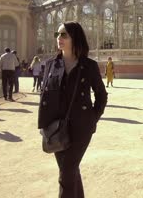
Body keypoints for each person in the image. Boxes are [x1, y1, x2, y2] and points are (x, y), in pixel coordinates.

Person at [38, 22, 107, 198]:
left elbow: (101, 95)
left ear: (74, 38)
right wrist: (45, 125)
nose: (58, 38)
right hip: (55, 127)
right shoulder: (51, 65)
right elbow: (44, 95)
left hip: (81, 128)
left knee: (66, 172)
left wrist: (92, 118)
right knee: (69, 170)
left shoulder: (88, 65)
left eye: (64, 35)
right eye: (58, 34)